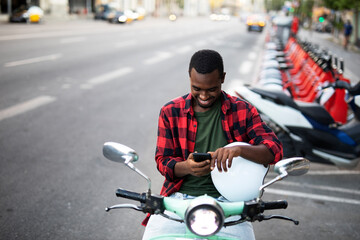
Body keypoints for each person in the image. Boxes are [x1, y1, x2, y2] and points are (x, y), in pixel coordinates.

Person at [142, 49, 283, 239]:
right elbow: (163, 162)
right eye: (196, 88)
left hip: (230, 204)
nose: (204, 95)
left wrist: (239, 150)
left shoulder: (243, 110)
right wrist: (188, 167)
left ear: (222, 78)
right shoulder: (170, 111)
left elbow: (274, 150)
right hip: (178, 200)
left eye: (211, 89)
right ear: (189, 78)